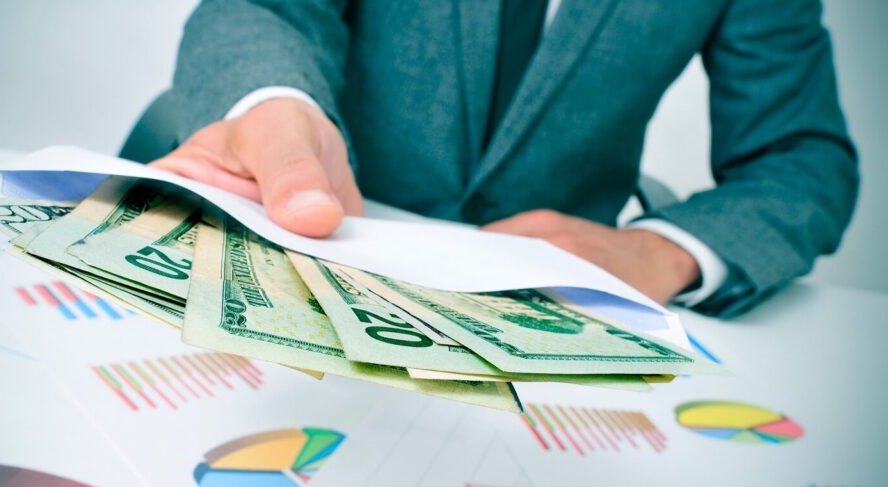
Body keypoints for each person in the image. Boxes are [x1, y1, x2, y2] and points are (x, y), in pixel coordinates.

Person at [143, 0, 858, 317]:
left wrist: (659, 253)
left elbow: (801, 158)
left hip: (547, 314)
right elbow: (264, 8)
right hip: (313, 251)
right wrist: (275, 102)